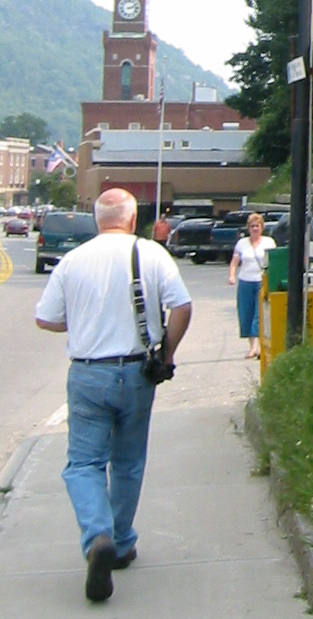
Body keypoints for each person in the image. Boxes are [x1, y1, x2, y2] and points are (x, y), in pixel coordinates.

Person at [34, 187, 191, 603]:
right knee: (128, 462)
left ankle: (97, 536)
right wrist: (167, 353)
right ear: (133, 217)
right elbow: (182, 307)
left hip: (88, 375)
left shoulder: (73, 260)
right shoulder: (152, 254)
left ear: (96, 219)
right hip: (138, 371)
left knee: (84, 464)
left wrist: (85, 322)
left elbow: (45, 319)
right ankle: (120, 543)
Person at [228, 213, 275, 358]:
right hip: (245, 282)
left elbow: (273, 262)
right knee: (246, 313)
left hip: (262, 281)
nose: (255, 229)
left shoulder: (269, 242)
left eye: (258, 226)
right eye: (252, 226)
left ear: (262, 227)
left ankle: (261, 347)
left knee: (259, 313)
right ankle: (252, 347)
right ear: (248, 228)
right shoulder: (242, 243)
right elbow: (235, 261)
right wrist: (231, 275)